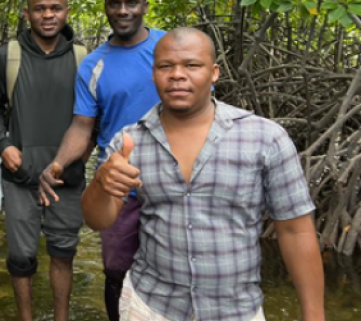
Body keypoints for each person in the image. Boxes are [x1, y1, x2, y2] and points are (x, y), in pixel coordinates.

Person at [82, 27, 325, 321]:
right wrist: (100, 183)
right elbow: (98, 220)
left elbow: (295, 230)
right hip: (149, 307)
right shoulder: (129, 141)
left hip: (236, 312)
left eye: (191, 65)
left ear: (214, 73)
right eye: (165, 66)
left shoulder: (265, 138)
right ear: (153, 74)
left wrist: (314, 315)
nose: (177, 75)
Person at [38, 0, 165, 320]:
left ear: (145, 6)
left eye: (131, 2)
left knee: (175, 273)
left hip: (172, 183)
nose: (123, 10)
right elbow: (82, 126)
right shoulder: (93, 64)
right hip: (117, 186)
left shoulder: (167, 49)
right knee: (115, 272)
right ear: (106, 8)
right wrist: (58, 164)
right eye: (115, 3)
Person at [0, 0, 85, 321]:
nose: (48, 15)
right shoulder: (5, 57)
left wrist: (77, 160)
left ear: (67, 12)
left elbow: (91, 119)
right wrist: (4, 145)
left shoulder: (82, 59)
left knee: (63, 253)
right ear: (27, 14)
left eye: (55, 8)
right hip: (20, 175)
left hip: (65, 178)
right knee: (21, 258)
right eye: (40, 9)